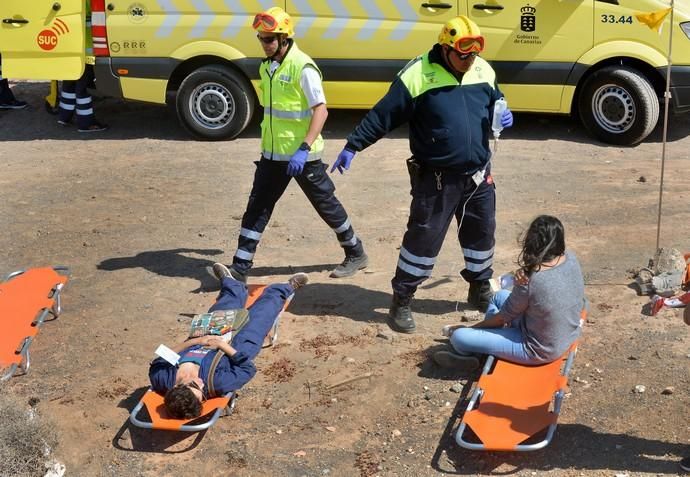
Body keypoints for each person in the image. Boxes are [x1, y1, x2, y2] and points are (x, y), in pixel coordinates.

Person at [330, 16, 513, 333]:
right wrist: (353, 145)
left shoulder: (483, 69)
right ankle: (401, 300)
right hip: (437, 178)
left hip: (479, 175)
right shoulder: (417, 74)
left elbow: (495, 100)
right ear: (445, 49)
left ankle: (479, 287)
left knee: (481, 235)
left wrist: (504, 112)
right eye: (462, 54)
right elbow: (384, 113)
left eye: (473, 54)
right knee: (422, 240)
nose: (469, 60)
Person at [226, 6, 367, 283]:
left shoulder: (303, 67)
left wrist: (303, 148)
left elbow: (321, 110)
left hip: (304, 157)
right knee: (258, 207)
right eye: (261, 39)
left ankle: (356, 252)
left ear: (283, 38)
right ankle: (240, 267)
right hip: (272, 157)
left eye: (269, 39)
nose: (264, 45)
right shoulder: (266, 68)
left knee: (326, 205)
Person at [149, 263, 308, 419]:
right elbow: (247, 369)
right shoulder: (217, 383)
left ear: (175, 387)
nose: (201, 384)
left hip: (203, 338)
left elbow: (161, 357)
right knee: (262, 313)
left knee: (226, 305)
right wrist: (222, 345)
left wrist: (195, 341)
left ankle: (232, 283)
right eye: (202, 394)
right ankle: (284, 288)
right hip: (237, 346)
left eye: (193, 385)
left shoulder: (162, 379)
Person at [432, 215, 586, 371]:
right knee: (499, 297)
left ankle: (473, 352)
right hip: (565, 335)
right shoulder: (570, 258)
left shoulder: (530, 280)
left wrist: (471, 328)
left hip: (537, 350)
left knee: (459, 337)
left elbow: (502, 318)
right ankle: (483, 344)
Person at [57, 1, 108, 132]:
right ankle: (86, 123)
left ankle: (64, 116)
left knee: (70, 81)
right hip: (88, 46)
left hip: (70, 43)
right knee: (84, 85)